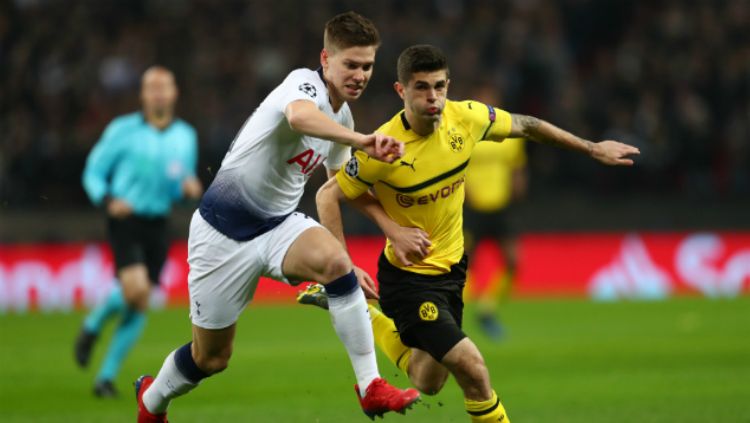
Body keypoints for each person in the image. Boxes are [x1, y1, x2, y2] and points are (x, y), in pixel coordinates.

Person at [306, 44, 640, 422]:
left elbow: (527, 125)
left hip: (452, 272)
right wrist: (348, 269)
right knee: (474, 370)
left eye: (438, 86)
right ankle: (349, 301)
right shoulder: (383, 148)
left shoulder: (466, 118)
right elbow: (328, 195)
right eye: (420, 87)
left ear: (448, 84)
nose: (432, 97)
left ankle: (362, 316)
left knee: (428, 380)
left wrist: (592, 148)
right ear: (401, 91)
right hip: (408, 279)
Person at [134, 12, 419, 423]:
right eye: (351, 64)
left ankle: (370, 386)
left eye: (367, 66)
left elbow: (336, 188)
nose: (360, 74)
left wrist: (358, 251)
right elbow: (299, 118)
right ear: (326, 60)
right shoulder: (303, 84)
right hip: (220, 235)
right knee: (211, 358)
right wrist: (363, 142)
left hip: (278, 227)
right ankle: (151, 399)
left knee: (337, 266)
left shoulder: (343, 119)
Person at [75, 66, 203, 397]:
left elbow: (179, 182)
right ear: (143, 95)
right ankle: (92, 325)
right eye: (152, 87)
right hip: (126, 219)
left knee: (139, 301)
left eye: (165, 86)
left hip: (158, 224)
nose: (159, 92)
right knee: (137, 290)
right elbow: (93, 171)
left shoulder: (185, 136)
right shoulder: (122, 131)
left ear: (174, 93)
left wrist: (187, 188)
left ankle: (105, 378)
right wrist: (106, 199)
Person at [463, 89, 528, 339]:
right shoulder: (469, 134)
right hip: (473, 207)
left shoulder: (510, 135)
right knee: (465, 263)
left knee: (513, 261)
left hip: (502, 208)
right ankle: (465, 312)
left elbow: (517, 167)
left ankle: (486, 308)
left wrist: (518, 188)